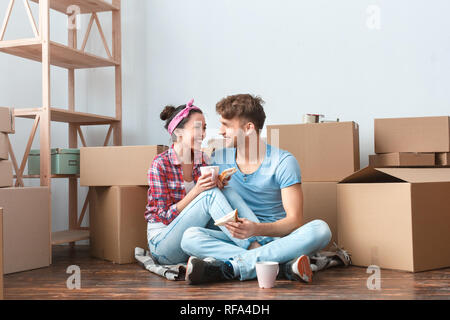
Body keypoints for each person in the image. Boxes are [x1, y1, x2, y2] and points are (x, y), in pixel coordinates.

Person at [181, 94, 332, 284]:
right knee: (189, 237)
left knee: (321, 229)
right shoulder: (217, 158)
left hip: (276, 236)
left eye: (226, 125)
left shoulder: (283, 162)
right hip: (241, 239)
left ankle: (236, 266)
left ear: (249, 128)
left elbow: (295, 221)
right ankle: (282, 265)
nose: (220, 131)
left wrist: (256, 229)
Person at [145, 99, 268, 265]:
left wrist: (219, 183)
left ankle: (263, 242)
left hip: (189, 239)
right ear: (179, 132)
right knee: (209, 195)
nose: (203, 134)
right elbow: (165, 217)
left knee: (226, 190)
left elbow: (207, 214)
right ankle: (257, 248)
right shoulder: (159, 164)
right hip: (163, 244)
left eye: (204, 128)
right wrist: (197, 190)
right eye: (197, 128)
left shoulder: (202, 159)